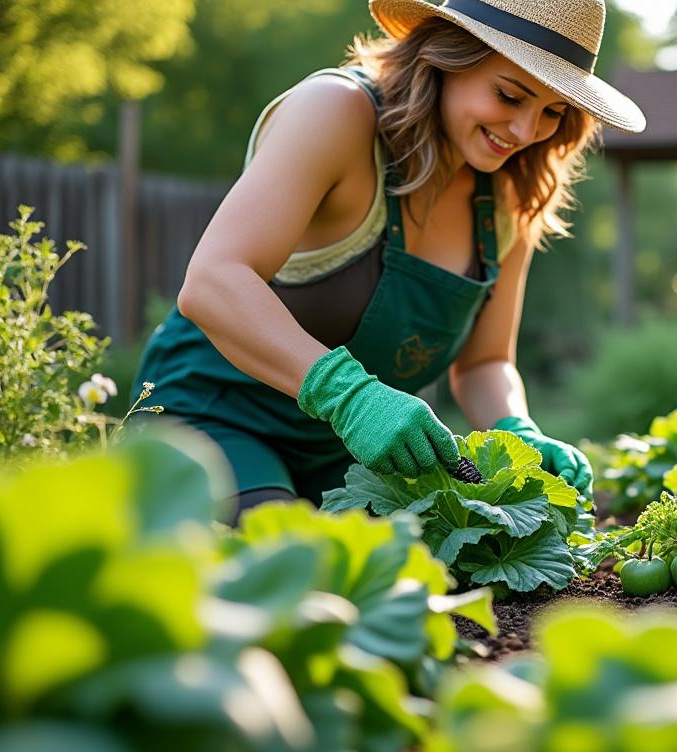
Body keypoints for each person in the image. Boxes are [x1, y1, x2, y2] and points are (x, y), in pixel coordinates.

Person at [130, 0, 646, 518]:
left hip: (349, 458)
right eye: (509, 95)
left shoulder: (511, 193)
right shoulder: (336, 111)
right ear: (446, 57)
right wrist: (350, 398)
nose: (524, 131)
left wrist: (518, 430)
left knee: (411, 580)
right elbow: (213, 282)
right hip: (210, 420)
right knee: (288, 567)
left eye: (553, 112)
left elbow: (486, 361)